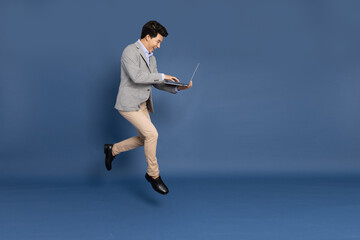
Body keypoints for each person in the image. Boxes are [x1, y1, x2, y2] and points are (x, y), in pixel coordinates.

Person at [104, 20, 192, 195]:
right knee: (152, 134)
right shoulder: (130, 51)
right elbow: (137, 77)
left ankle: (112, 150)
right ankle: (153, 175)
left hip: (142, 104)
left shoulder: (152, 57)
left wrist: (176, 87)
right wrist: (162, 74)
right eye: (157, 41)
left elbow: (155, 83)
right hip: (128, 105)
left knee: (146, 139)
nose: (158, 46)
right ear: (147, 37)